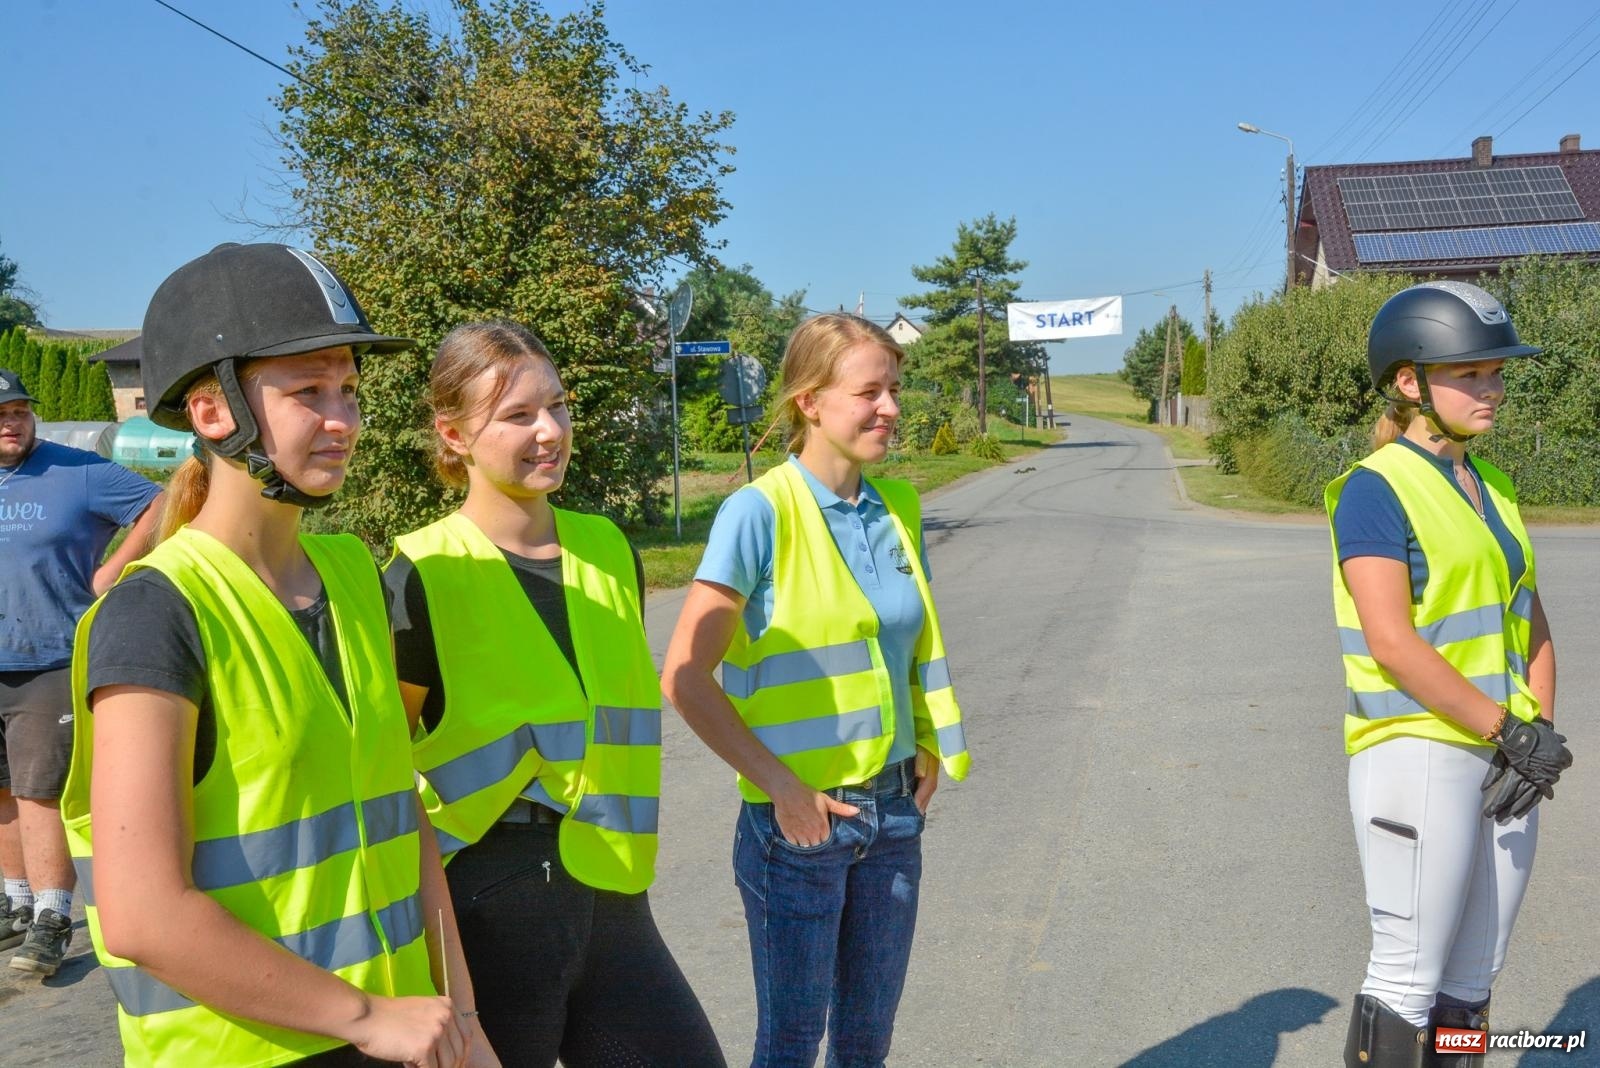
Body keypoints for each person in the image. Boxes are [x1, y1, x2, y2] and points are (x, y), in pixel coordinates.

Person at [58, 243, 491, 1067]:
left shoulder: (355, 575)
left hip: (396, 1036)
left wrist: (462, 1019)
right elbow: (144, 913)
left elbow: (404, 824)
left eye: (351, 389)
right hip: (249, 1049)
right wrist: (366, 1015)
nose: (344, 420)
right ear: (213, 413)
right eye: (308, 392)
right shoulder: (156, 612)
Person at [386, 320, 723, 1067]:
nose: (550, 431)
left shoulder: (608, 549)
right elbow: (381, 778)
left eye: (558, 405)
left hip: (612, 894)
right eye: (517, 416)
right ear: (453, 434)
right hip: (490, 912)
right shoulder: (420, 577)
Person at [661, 312, 971, 1068]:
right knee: (792, 1045)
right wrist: (781, 789)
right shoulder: (757, 513)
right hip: (799, 828)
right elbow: (684, 675)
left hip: (895, 813)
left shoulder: (897, 507)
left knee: (866, 1045)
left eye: (895, 389)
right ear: (809, 401)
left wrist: (925, 742)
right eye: (871, 391)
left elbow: (907, 642)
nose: (892, 408)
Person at [1327, 281, 1572, 1067]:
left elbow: (1528, 618)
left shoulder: (1490, 485)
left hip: (1507, 758)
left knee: (1472, 982)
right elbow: (1393, 641)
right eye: (1471, 374)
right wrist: (1506, 729)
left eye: (1497, 372)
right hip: (1419, 751)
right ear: (1409, 382)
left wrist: (1536, 733)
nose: (1493, 388)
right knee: (1407, 978)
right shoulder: (1374, 490)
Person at [0, 366, 162, 974]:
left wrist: (114, 569)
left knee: (41, 789)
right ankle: (13, 902)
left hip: (53, 656)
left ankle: (51, 915)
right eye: (0, 415)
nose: (11, 423)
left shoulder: (76, 470)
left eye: (18, 410)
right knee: (4, 787)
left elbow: (162, 500)